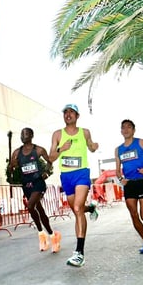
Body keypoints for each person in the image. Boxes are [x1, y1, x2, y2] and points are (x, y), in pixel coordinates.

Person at [49, 103, 99, 267]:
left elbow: (91, 147)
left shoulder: (84, 132)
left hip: (81, 174)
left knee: (77, 208)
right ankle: (90, 208)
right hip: (66, 177)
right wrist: (61, 148)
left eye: (72, 112)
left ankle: (79, 253)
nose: (68, 114)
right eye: (66, 112)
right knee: (77, 209)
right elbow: (51, 158)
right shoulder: (57, 134)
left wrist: (93, 146)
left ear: (77, 116)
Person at [9, 127, 61, 253]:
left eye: (26, 134)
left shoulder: (38, 150)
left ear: (31, 135)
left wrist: (46, 173)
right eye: (21, 134)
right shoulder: (16, 152)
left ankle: (41, 234)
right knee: (40, 211)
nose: (23, 136)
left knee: (30, 205)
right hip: (26, 185)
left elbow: (49, 162)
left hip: (38, 183)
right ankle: (53, 236)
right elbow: (11, 168)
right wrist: (12, 166)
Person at [114, 119, 143, 255]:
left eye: (129, 127)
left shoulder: (141, 142)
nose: (126, 130)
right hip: (129, 184)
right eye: (123, 128)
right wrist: (121, 179)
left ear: (133, 130)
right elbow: (117, 170)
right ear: (121, 131)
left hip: (141, 182)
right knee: (134, 215)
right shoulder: (118, 150)